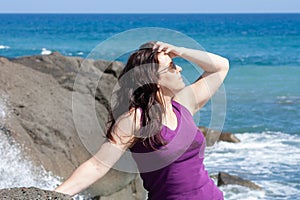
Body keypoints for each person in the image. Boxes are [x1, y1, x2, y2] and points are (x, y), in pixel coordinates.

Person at [55, 41, 229, 199]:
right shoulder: (136, 119)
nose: (180, 69)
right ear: (154, 79)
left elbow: (221, 66)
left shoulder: (183, 104)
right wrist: (53, 196)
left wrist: (180, 51)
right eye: (172, 66)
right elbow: (97, 165)